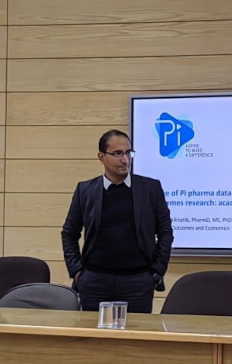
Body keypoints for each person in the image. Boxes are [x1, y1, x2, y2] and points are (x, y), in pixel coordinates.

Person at [61, 129, 173, 313]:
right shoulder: (85, 190)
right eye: (118, 153)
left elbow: (165, 232)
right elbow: (69, 233)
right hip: (94, 281)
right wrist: (77, 271)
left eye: (128, 152)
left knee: (136, 338)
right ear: (101, 157)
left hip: (138, 281)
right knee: (93, 338)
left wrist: (157, 270)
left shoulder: (150, 188)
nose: (125, 159)